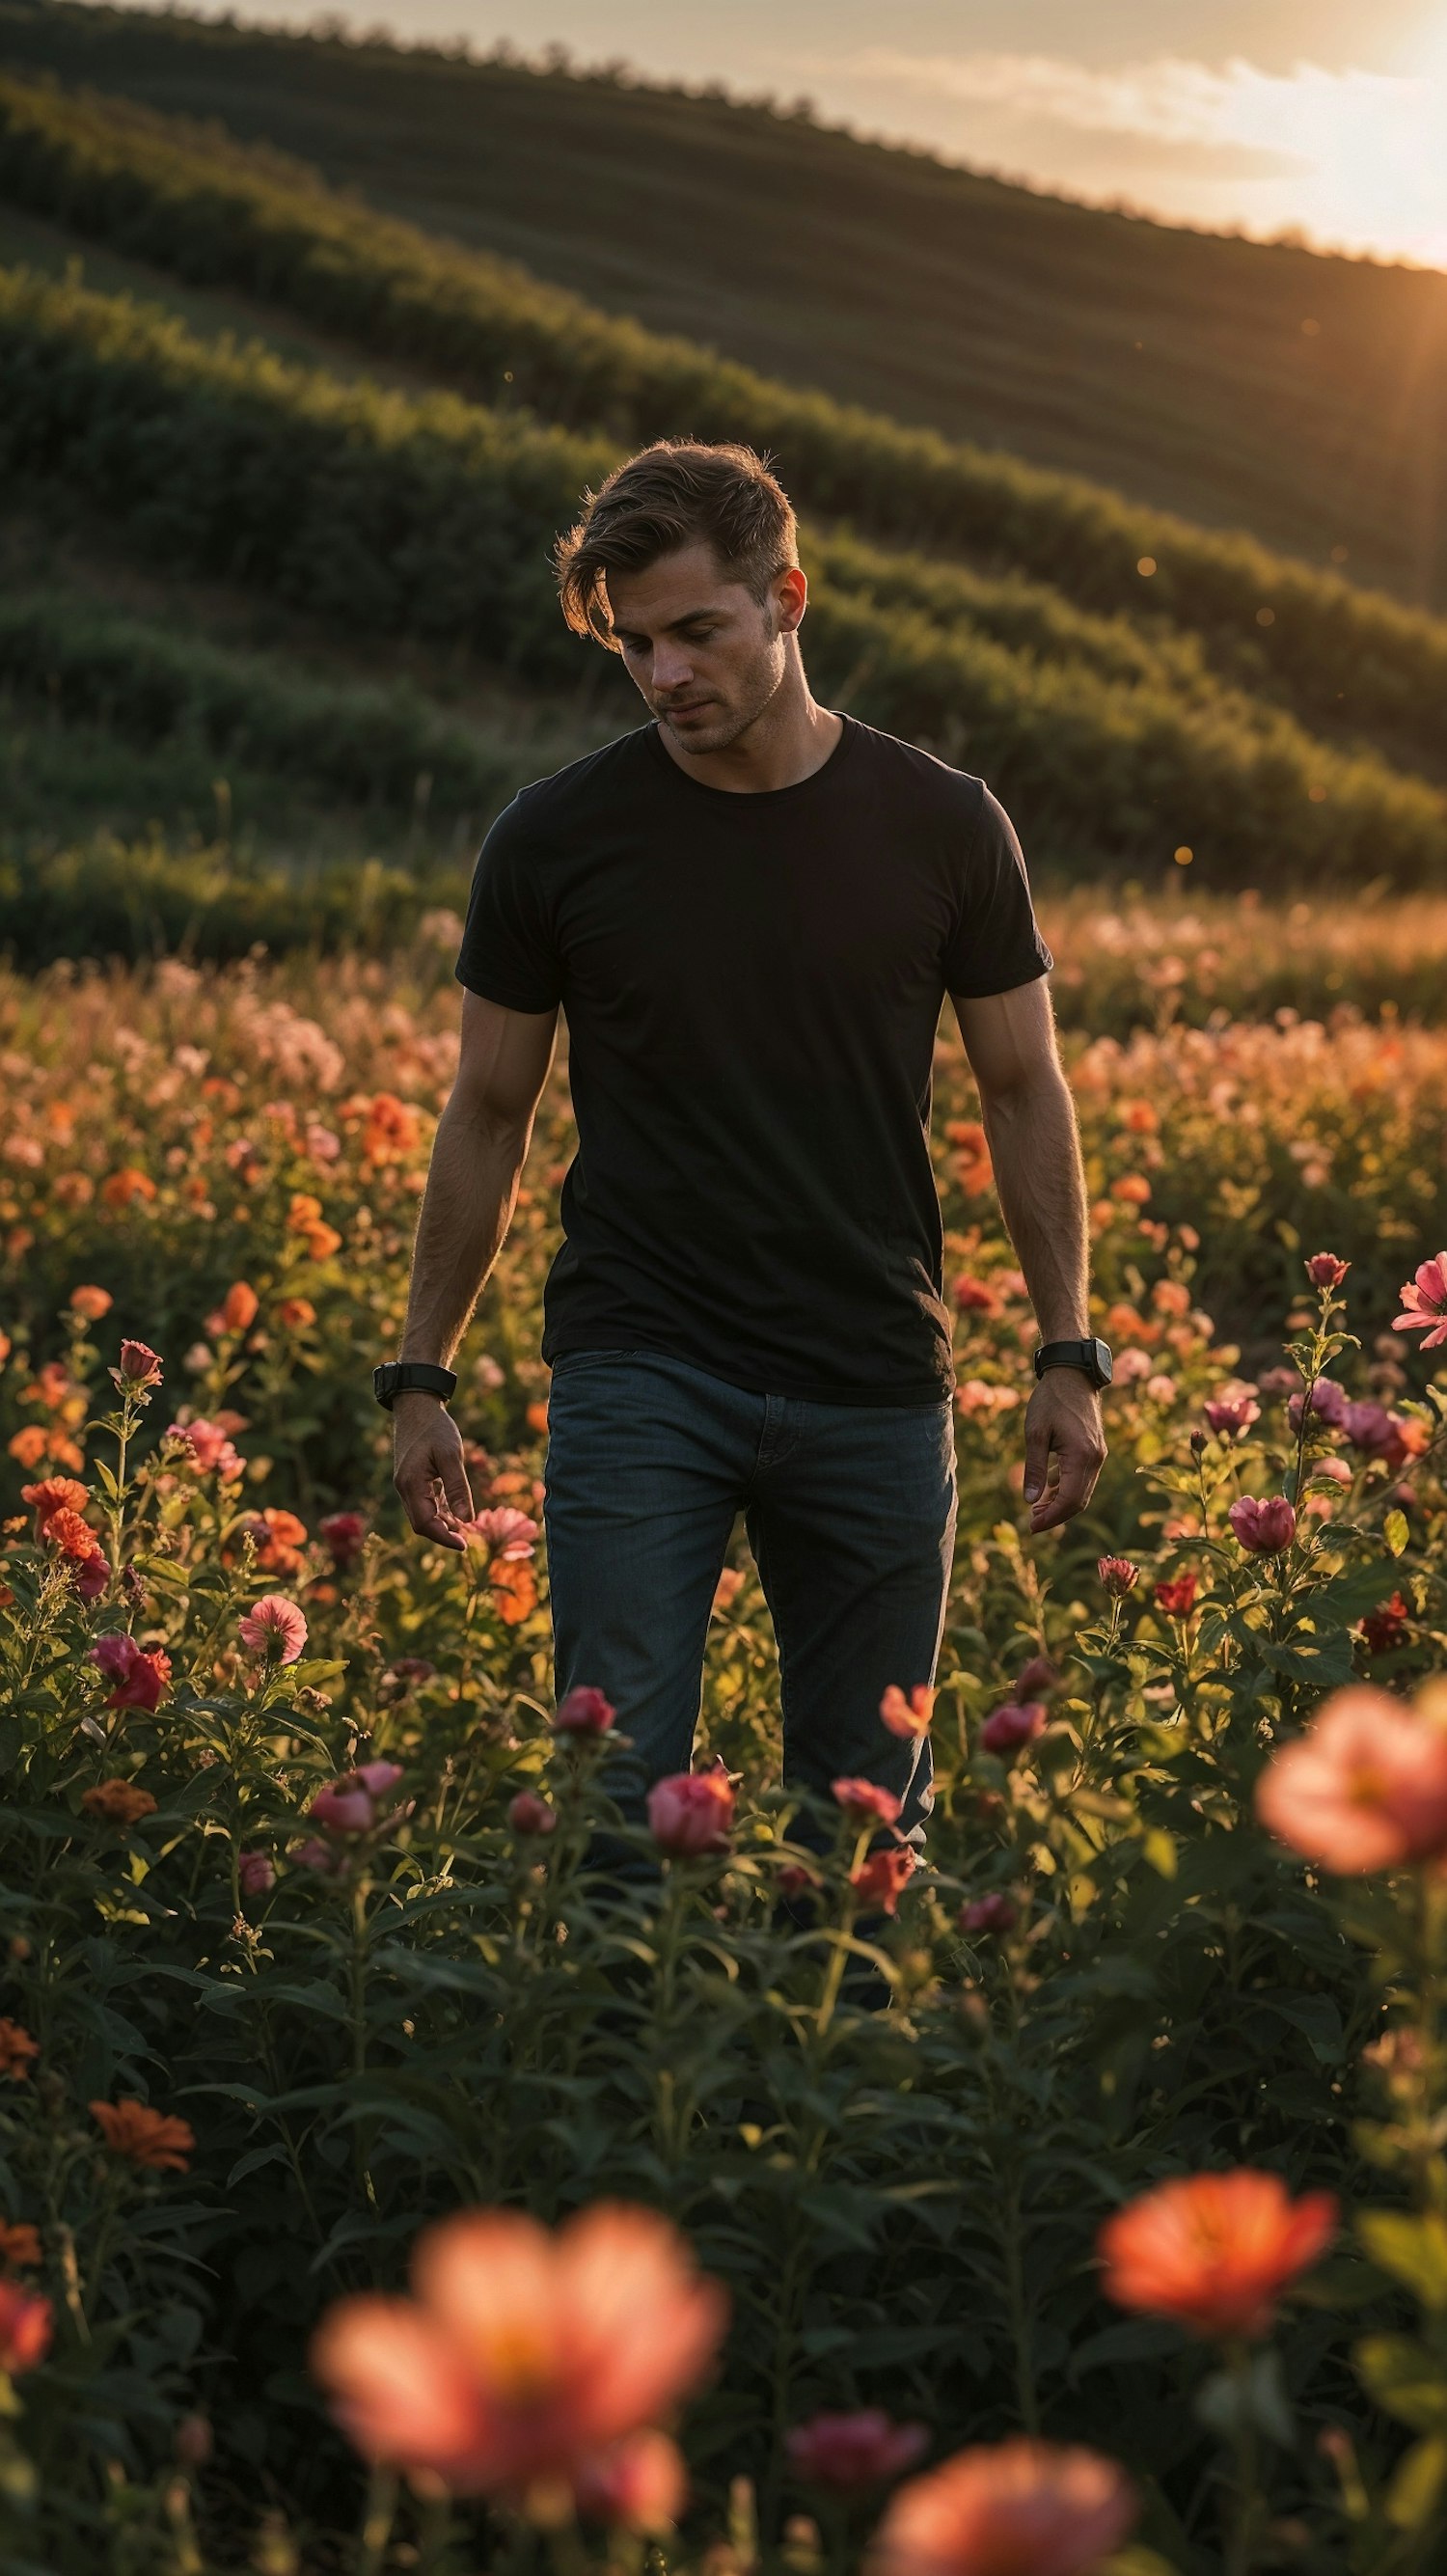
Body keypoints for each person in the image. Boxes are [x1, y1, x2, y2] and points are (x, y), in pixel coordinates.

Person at [382, 440, 1107, 1852]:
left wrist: (1068, 1352)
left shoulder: (947, 826)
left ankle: (809, 2082)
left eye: (695, 631)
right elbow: (487, 1110)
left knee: (860, 1834)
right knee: (611, 1813)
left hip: (876, 1377)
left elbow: (1025, 1088)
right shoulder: (555, 840)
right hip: (640, 1367)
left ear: (787, 598)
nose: (664, 675)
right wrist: (420, 1373)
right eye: (635, 645)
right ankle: (610, 2078)